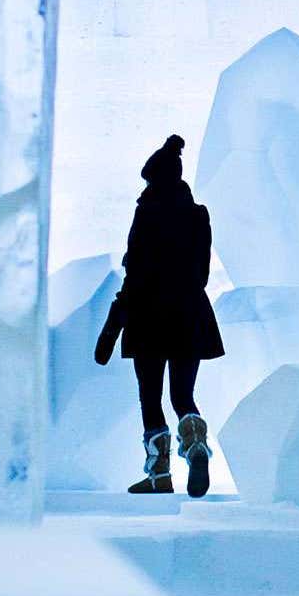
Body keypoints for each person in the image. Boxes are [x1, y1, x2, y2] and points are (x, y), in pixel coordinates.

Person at [94, 134, 225, 496]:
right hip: (190, 313)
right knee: (183, 395)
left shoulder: (147, 211)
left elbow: (136, 270)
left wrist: (113, 325)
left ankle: (159, 475)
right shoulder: (199, 216)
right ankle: (196, 443)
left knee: (150, 398)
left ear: (154, 179)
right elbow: (201, 273)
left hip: (148, 315)